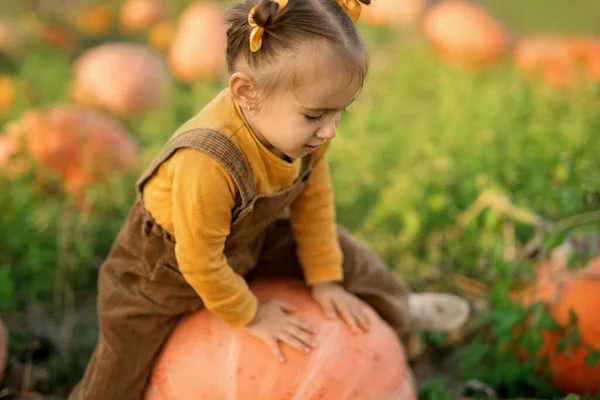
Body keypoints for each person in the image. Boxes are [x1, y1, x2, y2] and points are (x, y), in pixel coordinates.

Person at [68, 0, 469, 398]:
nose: (329, 130)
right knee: (120, 366)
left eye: (338, 113)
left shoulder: (308, 137)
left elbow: (313, 205)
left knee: (346, 256)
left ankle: (399, 306)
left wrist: (326, 281)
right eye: (315, 116)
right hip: (162, 272)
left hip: (245, 240)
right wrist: (252, 314)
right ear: (245, 92)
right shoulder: (205, 162)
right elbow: (199, 260)